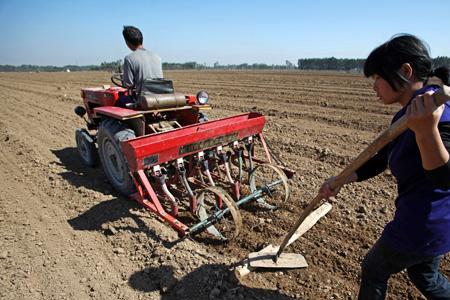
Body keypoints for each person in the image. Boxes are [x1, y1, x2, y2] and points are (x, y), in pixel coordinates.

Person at [319, 34, 450, 299]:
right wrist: (340, 180)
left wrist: (427, 132)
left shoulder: (436, 114)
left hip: (423, 223)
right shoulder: (407, 114)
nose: (375, 86)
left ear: (405, 71)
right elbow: (381, 159)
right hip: (438, 223)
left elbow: (445, 178)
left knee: (373, 269)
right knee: (424, 274)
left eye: (378, 77)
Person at [118, 26, 164, 106]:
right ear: (141, 39)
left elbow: (128, 84)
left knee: (118, 101)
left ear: (127, 42)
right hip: (160, 98)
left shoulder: (129, 58)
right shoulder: (157, 57)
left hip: (142, 100)